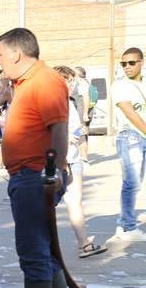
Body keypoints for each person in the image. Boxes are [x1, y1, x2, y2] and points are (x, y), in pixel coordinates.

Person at [0, 28, 72, 288]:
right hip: (29, 175)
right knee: (44, 249)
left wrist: (56, 171)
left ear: (16, 53)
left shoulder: (45, 81)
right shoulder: (27, 83)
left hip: (35, 176)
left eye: (0, 54)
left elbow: (59, 129)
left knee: (33, 251)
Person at [54, 66, 106, 258]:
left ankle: (84, 244)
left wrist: (82, 132)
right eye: (67, 80)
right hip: (60, 160)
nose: (71, 84)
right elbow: (46, 130)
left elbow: (74, 127)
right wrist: (66, 137)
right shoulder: (52, 103)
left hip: (73, 158)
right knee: (47, 204)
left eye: (72, 80)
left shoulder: (69, 102)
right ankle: (44, 246)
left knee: (75, 202)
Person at [108, 47, 146, 242]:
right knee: (132, 182)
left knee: (137, 182)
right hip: (130, 136)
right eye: (123, 63)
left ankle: (125, 224)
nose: (127, 67)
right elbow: (130, 112)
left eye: (131, 63)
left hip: (143, 136)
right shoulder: (120, 85)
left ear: (141, 62)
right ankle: (126, 227)